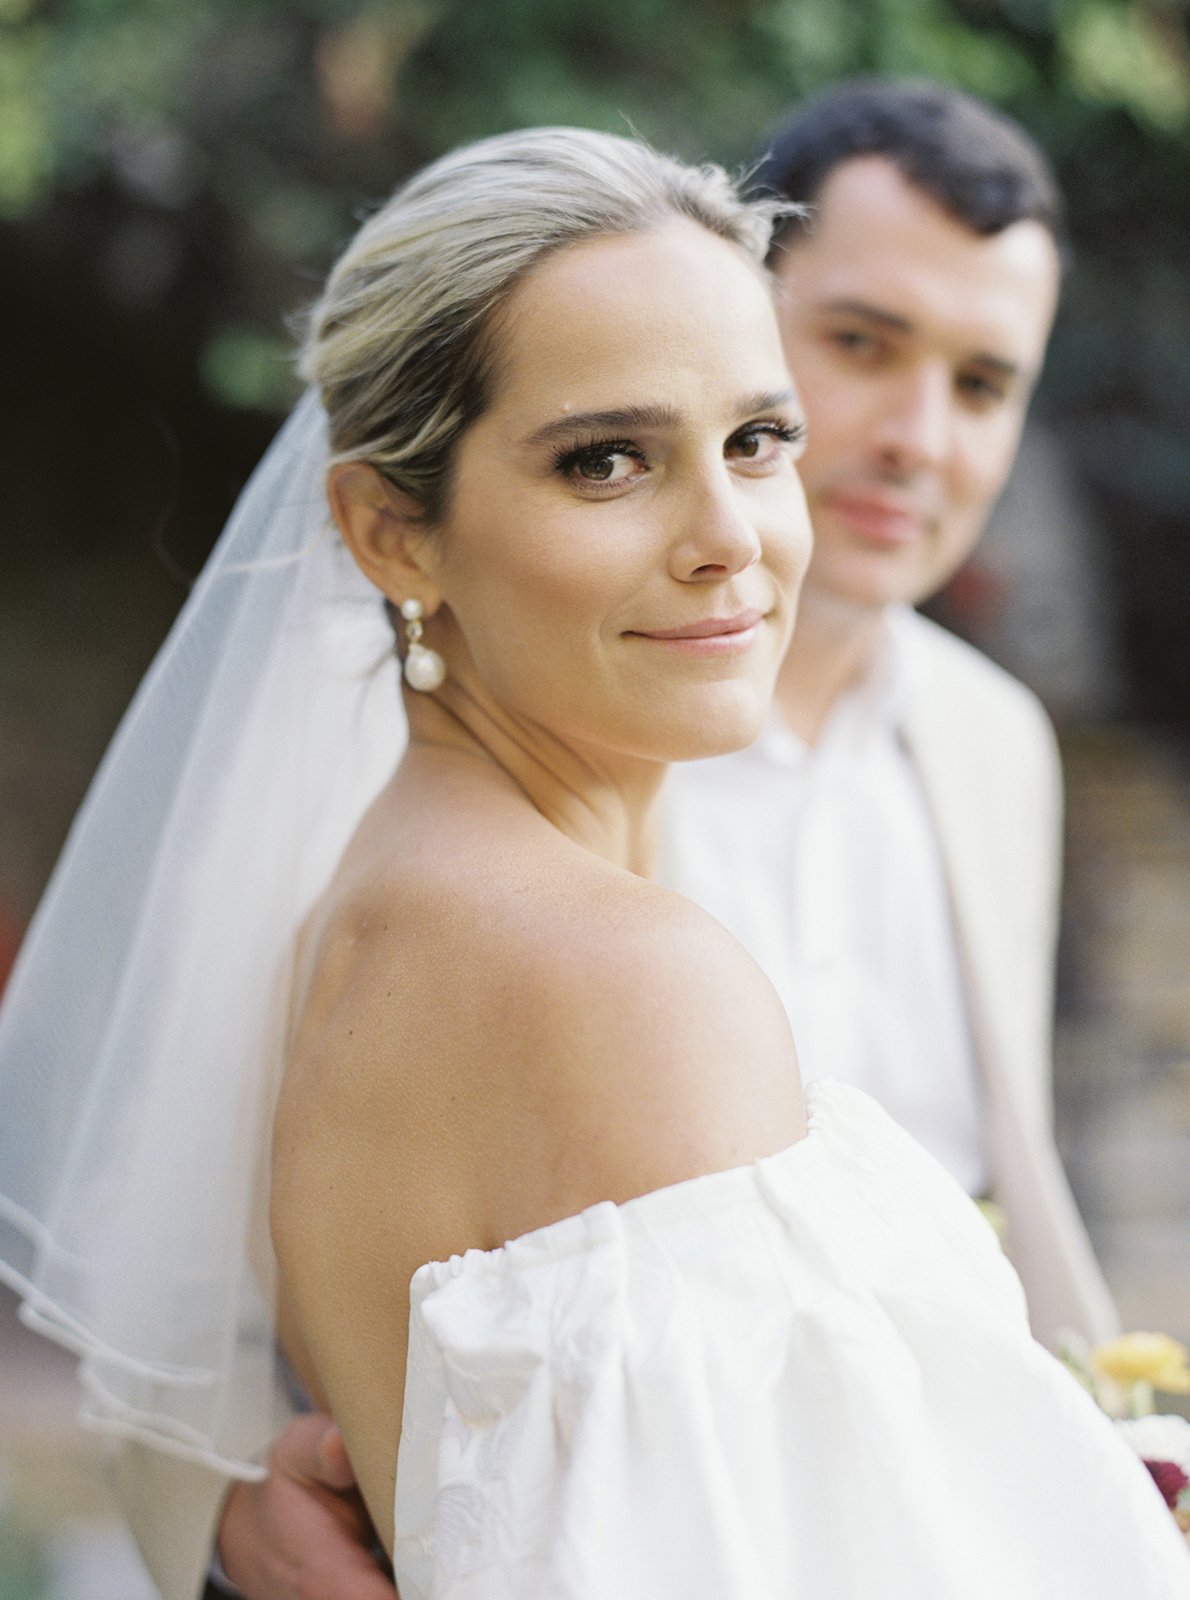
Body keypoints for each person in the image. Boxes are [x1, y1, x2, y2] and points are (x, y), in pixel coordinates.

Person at [2, 127, 1185, 1599]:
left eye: (758, 441)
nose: (727, 539)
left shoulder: (390, 901)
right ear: (388, 532)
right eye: (606, 460)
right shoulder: (620, 978)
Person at [664, 75, 1117, 1347]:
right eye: (862, 343)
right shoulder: (540, 704)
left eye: (980, 385)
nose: (920, 437)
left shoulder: (996, 740)